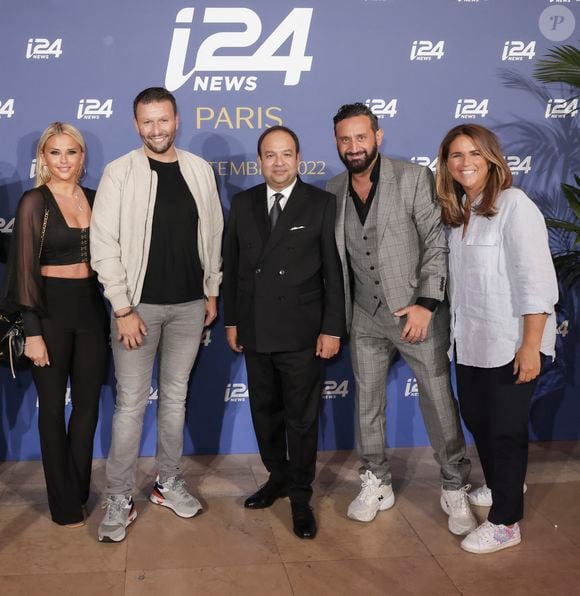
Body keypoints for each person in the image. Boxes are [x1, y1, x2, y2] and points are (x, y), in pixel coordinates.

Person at [327, 103, 474, 534]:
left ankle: (454, 484)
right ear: (336, 142)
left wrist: (427, 303)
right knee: (368, 403)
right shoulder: (333, 189)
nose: (353, 146)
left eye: (360, 137)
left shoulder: (412, 178)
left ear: (378, 135)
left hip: (416, 313)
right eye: (345, 139)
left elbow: (434, 242)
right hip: (364, 317)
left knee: (437, 400)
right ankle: (377, 480)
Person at [91, 87, 223, 543]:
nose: (156, 129)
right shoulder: (119, 172)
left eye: (163, 120)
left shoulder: (199, 170)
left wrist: (211, 291)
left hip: (189, 306)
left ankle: (167, 483)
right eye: (147, 122)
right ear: (135, 125)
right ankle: (119, 497)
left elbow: (213, 233)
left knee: (174, 398)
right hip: (136, 309)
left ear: (176, 120)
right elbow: (103, 244)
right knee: (130, 405)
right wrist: (122, 307)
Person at [436, 124, 558, 554]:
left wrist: (531, 345)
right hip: (470, 343)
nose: (464, 162)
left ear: (491, 158)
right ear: (446, 164)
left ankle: (506, 522)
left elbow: (536, 280)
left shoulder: (514, 205)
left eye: (473, 153)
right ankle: (504, 482)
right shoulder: (460, 215)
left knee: (505, 433)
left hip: (510, 343)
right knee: (478, 420)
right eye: (455, 155)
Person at [222, 125, 345, 539]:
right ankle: (277, 476)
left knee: (301, 419)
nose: (278, 162)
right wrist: (233, 320)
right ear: (260, 161)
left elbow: (334, 272)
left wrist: (331, 328)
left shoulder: (321, 204)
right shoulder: (242, 203)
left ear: (298, 158)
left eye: (286, 154)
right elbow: (234, 269)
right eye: (270, 155)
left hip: (302, 333)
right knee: (265, 413)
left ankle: (299, 495)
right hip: (256, 330)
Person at [2, 122, 108, 527]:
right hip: (48, 312)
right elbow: (24, 271)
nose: (64, 161)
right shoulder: (34, 201)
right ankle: (63, 505)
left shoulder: (97, 199)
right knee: (52, 411)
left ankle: (77, 489)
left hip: (90, 311)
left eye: (71, 152)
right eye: (55, 152)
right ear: (43, 158)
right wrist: (32, 331)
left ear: (82, 157)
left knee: (86, 408)